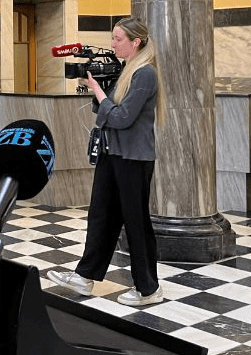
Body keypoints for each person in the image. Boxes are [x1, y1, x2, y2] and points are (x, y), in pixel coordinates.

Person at [47, 17, 167, 307]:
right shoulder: (126, 70)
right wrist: (98, 89)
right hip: (112, 153)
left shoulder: (145, 74)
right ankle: (85, 277)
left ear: (135, 42)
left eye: (118, 39)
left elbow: (122, 118)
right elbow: (107, 110)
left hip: (133, 158)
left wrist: (99, 92)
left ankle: (148, 289)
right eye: (112, 38)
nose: (112, 44)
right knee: (101, 216)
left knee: (136, 222)